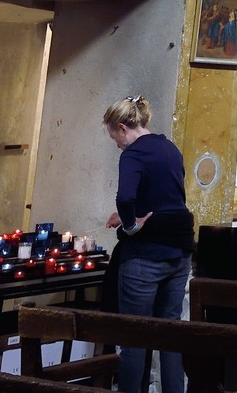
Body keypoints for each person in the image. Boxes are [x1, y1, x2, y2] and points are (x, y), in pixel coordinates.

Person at [103, 96, 195, 393]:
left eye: (114, 137)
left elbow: (126, 197)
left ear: (122, 127)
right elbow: (166, 197)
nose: (116, 144)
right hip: (180, 251)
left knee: (134, 336)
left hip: (146, 256)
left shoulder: (133, 154)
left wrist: (130, 225)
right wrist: (130, 216)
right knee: (169, 333)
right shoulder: (169, 147)